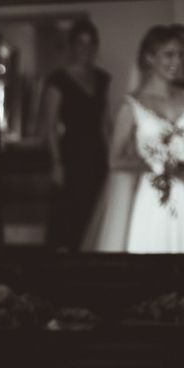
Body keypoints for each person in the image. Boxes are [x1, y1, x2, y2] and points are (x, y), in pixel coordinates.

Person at [83, 24, 184, 253]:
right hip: (155, 201)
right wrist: (160, 165)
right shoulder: (131, 106)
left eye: (181, 54)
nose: (176, 61)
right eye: (169, 54)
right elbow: (115, 160)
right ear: (149, 58)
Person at [44, 19, 111, 251]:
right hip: (71, 154)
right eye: (81, 43)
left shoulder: (102, 79)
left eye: (91, 43)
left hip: (97, 153)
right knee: (71, 215)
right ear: (72, 46)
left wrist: (112, 157)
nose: (86, 49)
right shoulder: (57, 80)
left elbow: (104, 123)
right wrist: (57, 163)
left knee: (97, 211)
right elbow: (50, 125)